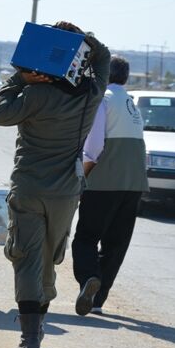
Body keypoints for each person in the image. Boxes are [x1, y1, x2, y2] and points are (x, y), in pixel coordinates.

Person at [0, 21, 110, 348]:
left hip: (29, 186)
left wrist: (19, 79)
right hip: (66, 193)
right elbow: (102, 57)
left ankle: (30, 341)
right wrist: (82, 40)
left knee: (25, 258)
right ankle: (38, 325)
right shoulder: (90, 95)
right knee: (47, 258)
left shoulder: (32, 94)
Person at [71, 55, 148, 316]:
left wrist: (83, 177)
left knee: (85, 238)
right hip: (133, 183)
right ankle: (97, 300)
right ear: (125, 77)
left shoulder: (102, 100)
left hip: (104, 182)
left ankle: (89, 279)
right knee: (116, 243)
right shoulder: (131, 103)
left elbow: (93, 147)